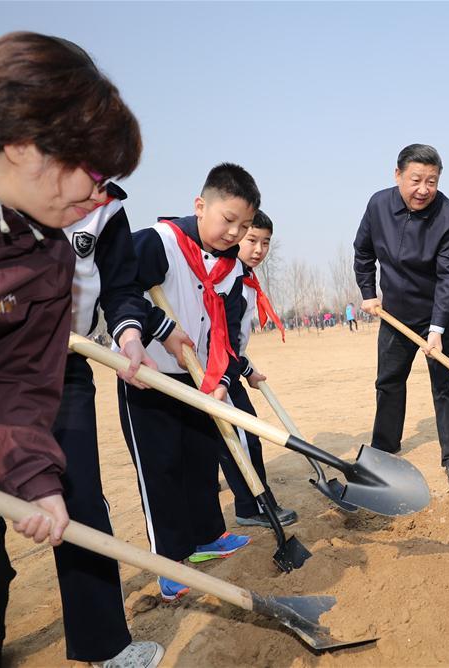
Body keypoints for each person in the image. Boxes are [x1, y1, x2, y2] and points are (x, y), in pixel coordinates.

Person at [0, 32, 145, 666]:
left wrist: (34, 480)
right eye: (95, 174)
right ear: (28, 144)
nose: (99, 196)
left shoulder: (49, 258)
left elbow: (20, 382)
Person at [118, 163, 258, 602]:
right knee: (161, 471)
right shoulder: (158, 243)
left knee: (200, 462)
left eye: (245, 225)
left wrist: (222, 379)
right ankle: (169, 560)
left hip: (199, 379)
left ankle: (207, 537)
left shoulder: (230, 268)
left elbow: (229, 331)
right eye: (227, 220)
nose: (234, 232)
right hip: (151, 378)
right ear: (200, 206)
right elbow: (122, 289)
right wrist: (150, 328)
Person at [57, 184, 181, 666]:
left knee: (79, 498)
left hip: (67, 363)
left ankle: (102, 643)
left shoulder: (106, 205)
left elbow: (119, 286)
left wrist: (129, 333)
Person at [354, 144, 449, 487]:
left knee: (447, 384)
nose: (423, 189)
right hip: (395, 315)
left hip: (439, 313)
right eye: (416, 179)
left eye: (431, 181)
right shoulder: (378, 205)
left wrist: (437, 328)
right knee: (388, 382)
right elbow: (363, 251)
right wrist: (367, 293)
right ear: (398, 175)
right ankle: (384, 450)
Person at [217, 209, 297, 529]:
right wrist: (231, 372)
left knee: (239, 436)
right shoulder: (227, 276)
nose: (258, 250)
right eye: (252, 240)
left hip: (229, 367)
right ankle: (253, 506)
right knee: (243, 437)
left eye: (265, 243)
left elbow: (234, 339)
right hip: (214, 372)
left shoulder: (245, 278)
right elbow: (217, 335)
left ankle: (250, 504)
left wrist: (246, 367)